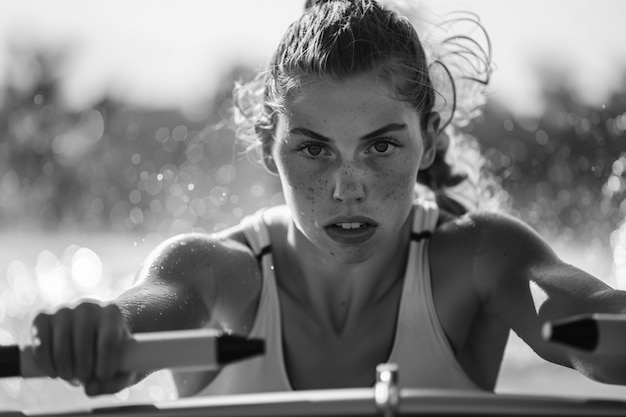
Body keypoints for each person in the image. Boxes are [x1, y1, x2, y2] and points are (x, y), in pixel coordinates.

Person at [29, 0, 626, 399]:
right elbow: (134, 321)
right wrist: (99, 334)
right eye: (314, 150)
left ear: (428, 143)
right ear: (269, 149)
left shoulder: (482, 258)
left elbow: (584, 328)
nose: (347, 188)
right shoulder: (209, 273)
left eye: (381, 147)